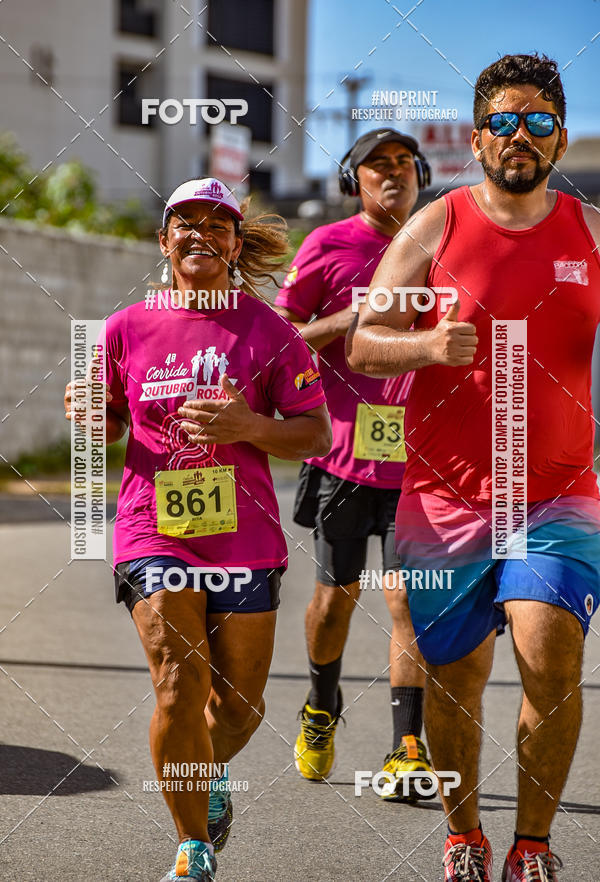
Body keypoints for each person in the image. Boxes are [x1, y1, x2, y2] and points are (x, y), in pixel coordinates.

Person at [347, 54, 600, 882]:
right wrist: (424, 343)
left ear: (558, 134)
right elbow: (363, 341)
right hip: (444, 495)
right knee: (456, 676)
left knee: (551, 656)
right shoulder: (437, 223)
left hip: (559, 492)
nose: (518, 136)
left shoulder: (591, 232)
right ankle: (465, 836)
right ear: (479, 136)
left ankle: (532, 842)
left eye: (535, 122)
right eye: (501, 122)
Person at [65, 178, 331, 882]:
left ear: (236, 246)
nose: (200, 235)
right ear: (164, 241)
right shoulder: (126, 328)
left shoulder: (270, 331)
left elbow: (314, 434)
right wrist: (94, 414)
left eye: (218, 225)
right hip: (154, 531)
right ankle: (192, 846)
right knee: (179, 686)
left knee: (239, 705)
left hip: (245, 539)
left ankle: (202, 771)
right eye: (185, 223)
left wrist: (250, 426)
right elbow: (112, 420)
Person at [275, 129, 435, 800]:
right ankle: (320, 705)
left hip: (419, 464)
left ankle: (407, 747)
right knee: (336, 599)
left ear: (422, 173)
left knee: (406, 598)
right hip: (343, 459)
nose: (393, 173)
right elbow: (279, 341)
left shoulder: (443, 242)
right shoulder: (329, 245)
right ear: (353, 180)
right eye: (378, 164)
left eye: (404, 162)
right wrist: (346, 320)